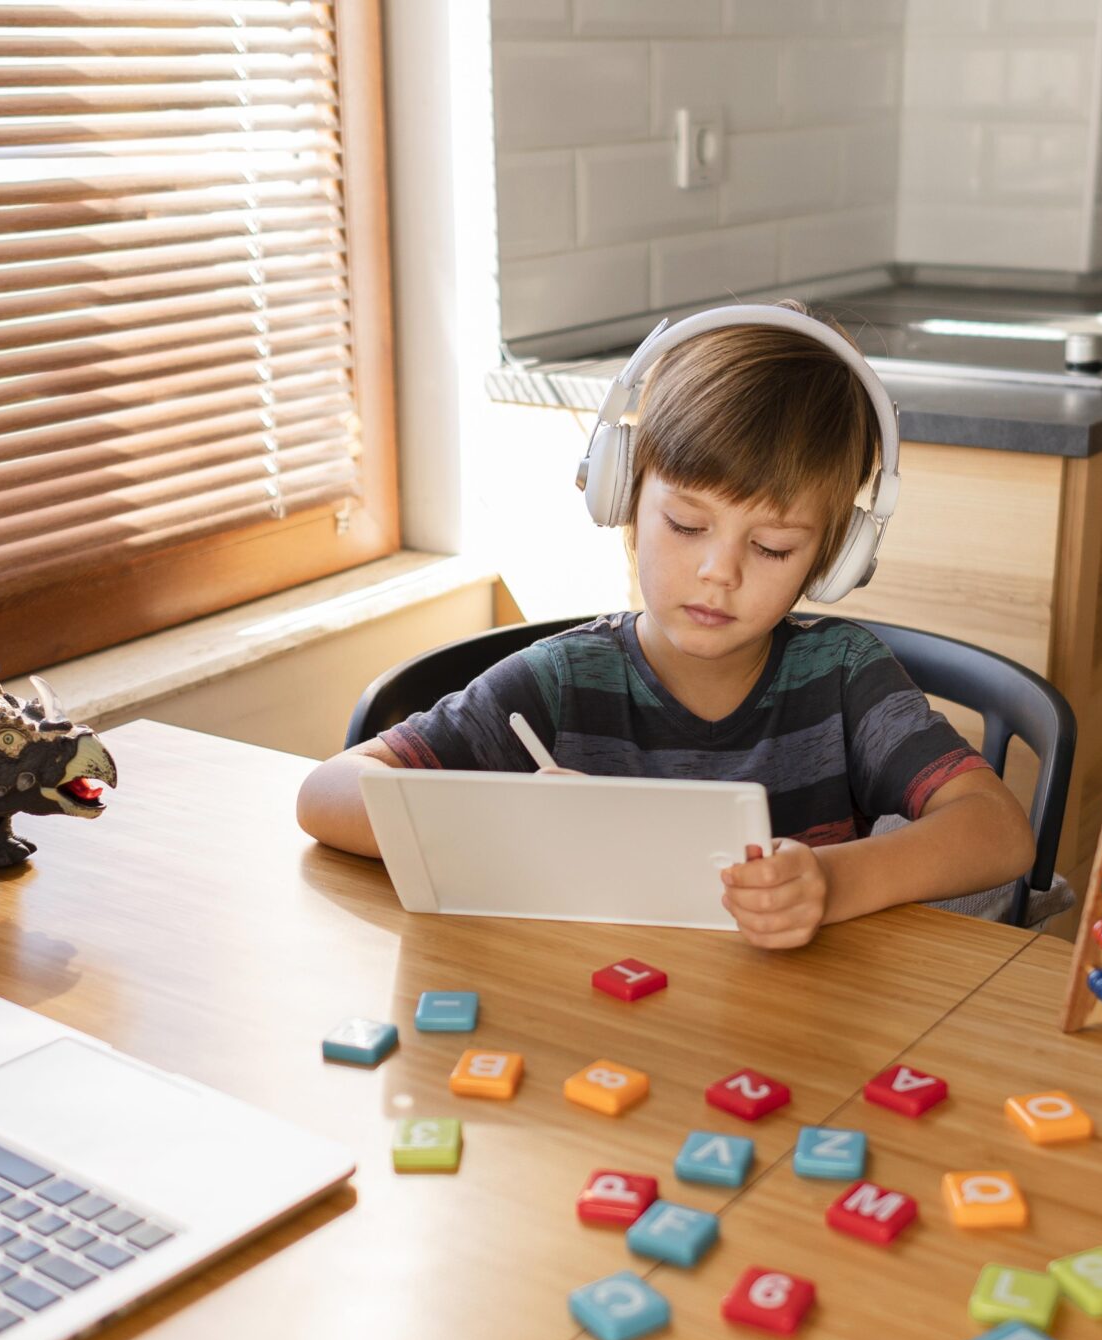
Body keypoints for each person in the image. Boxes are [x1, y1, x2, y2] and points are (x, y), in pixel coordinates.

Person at [295, 301, 1034, 948]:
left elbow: (997, 830)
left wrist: (833, 883)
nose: (721, 570)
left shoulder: (843, 678)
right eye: (686, 523)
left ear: (833, 559)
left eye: (772, 546)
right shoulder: (560, 682)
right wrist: (510, 823)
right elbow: (327, 792)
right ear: (624, 497)